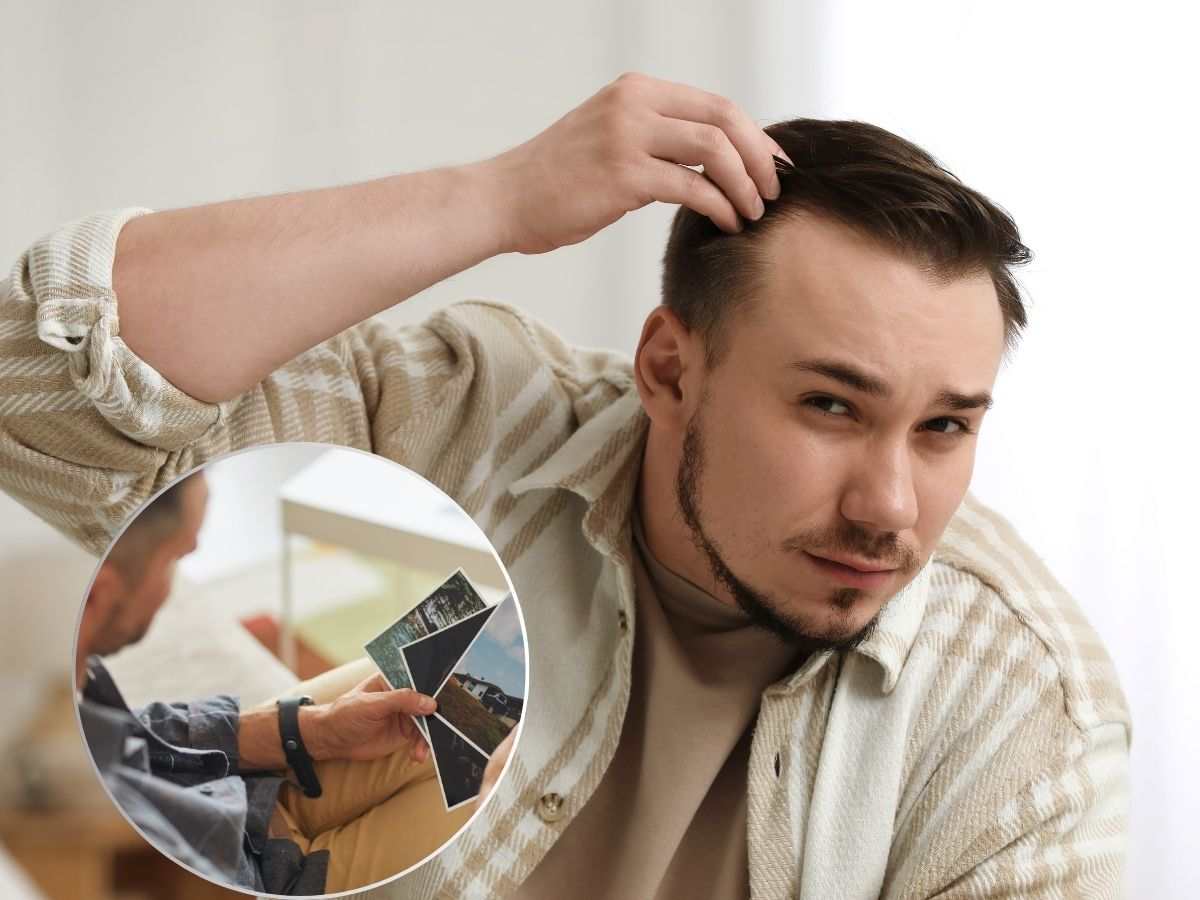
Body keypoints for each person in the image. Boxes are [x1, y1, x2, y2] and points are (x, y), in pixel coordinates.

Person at [0, 72, 1130, 899]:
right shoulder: (458, 428)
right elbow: (34, 385)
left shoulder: (1016, 704)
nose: (890, 506)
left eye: (944, 428)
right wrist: (494, 199)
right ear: (668, 370)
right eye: (831, 407)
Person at [74, 469, 484, 895]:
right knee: (498, 766)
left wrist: (314, 730)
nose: (171, 590)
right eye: (176, 559)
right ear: (100, 594)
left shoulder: (82, 695)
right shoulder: (82, 832)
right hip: (275, 880)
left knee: (446, 681)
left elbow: (141, 736)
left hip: (237, 788)